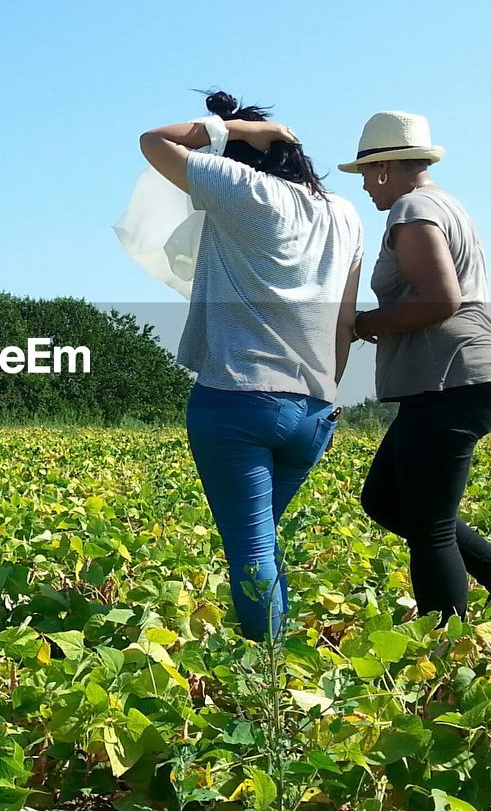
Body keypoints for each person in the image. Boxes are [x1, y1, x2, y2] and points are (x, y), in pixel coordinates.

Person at [140, 91, 363, 642]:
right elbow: (344, 321)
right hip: (314, 407)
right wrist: (328, 395)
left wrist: (238, 130)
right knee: (261, 540)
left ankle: (264, 677)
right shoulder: (345, 215)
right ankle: (280, 659)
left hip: (238, 398)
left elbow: (154, 142)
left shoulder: (248, 190)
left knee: (251, 547)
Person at [339, 111, 491, 624]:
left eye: (365, 174)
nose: (364, 185)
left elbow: (440, 300)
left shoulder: (413, 208)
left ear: (385, 167)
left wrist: (362, 323)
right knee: (385, 499)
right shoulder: (443, 203)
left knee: (428, 526)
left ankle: (445, 644)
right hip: (456, 379)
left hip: (454, 379)